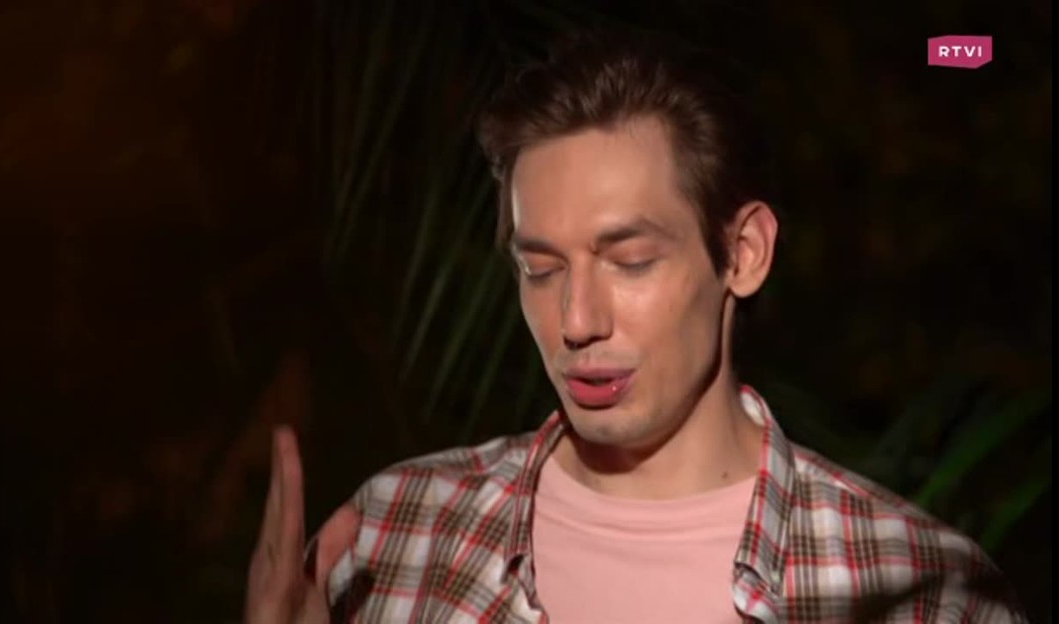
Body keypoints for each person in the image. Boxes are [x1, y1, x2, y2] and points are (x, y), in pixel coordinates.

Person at [244, 30, 1025, 623]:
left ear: (744, 253)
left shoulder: (925, 591)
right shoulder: (391, 536)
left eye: (631, 261)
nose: (576, 321)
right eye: (541, 269)